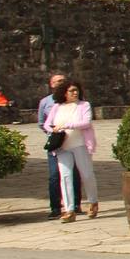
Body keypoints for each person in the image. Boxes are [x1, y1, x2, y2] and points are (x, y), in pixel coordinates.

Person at [42, 79, 99, 222]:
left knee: (86, 174)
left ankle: (93, 201)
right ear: (64, 93)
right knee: (65, 176)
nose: (75, 93)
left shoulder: (84, 105)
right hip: (62, 146)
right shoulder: (57, 107)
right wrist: (54, 128)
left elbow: (86, 122)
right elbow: (48, 124)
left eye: (76, 90)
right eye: (72, 90)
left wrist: (66, 125)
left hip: (79, 144)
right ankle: (69, 209)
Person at [37, 73, 79, 219]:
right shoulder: (45, 102)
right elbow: (42, 123)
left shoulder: (75, 100)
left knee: (73, 173)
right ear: (51, 84)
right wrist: (53, 133)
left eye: (63, 80)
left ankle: (75, 205)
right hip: (56, 142)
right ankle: (55, 207)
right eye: (57, 81)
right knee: (55, 175)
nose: (60, 83)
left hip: (72, 140)